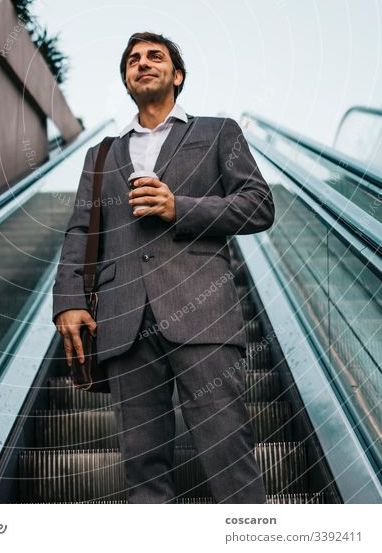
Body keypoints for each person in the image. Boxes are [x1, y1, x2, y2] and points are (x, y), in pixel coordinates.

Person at [52, 31, 275, 503]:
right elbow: (79, 232)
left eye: (156, 56)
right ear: (127, 81)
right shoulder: (102, 154)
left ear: (177, 75)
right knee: (143, 471)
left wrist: (181, 208)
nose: (143, 63)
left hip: (203, 316)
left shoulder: (217, 131)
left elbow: (258, 205)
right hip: (123, 321)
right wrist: (68, 301)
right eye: (133, 60)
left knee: (229, 456)